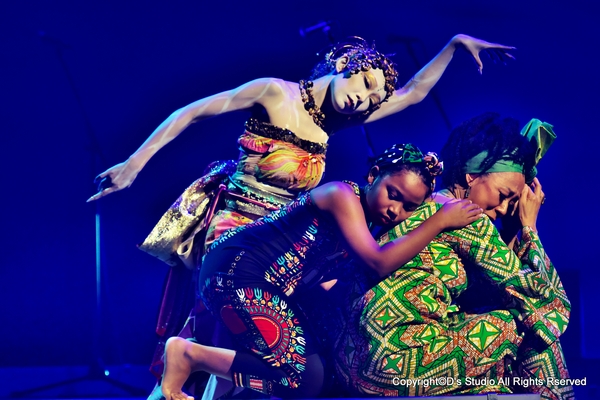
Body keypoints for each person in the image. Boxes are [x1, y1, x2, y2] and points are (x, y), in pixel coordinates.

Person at [87, 34, 514, 389]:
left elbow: (413, 93)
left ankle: (193, 372)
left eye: (374, 98)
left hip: (286, 245)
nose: (364, 100)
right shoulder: (276, 93)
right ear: (344, 63)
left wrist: (454, 45)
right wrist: (133, 164)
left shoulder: (334, 121)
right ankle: (185, 368)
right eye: (365, 83)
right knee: (228, 336)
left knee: (275, 358)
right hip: (237, 229)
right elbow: (193, 112)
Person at [158, 143, 483, 400]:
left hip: (263, 285)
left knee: (313, 378)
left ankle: (198, 360)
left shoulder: (367, 223)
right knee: (305, 376)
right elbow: (378, 262)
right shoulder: (341, 195)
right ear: (373, 176)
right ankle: (189, 356)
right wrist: (439, 221)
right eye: (393, 195)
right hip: (237, 271)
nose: (395, 210)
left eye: (409, 207)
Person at [334, 113, 574, 400]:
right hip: (393, 361)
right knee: (535, 324)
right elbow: (544, 299)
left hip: (352, 362)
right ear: (472, 175)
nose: (502, 209)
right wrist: (529, 228)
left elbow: (489, 295)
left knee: (498, 369)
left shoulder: (422, 206)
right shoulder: (467, 218)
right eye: (503, 195)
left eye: (512, 202)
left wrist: (511, 229)